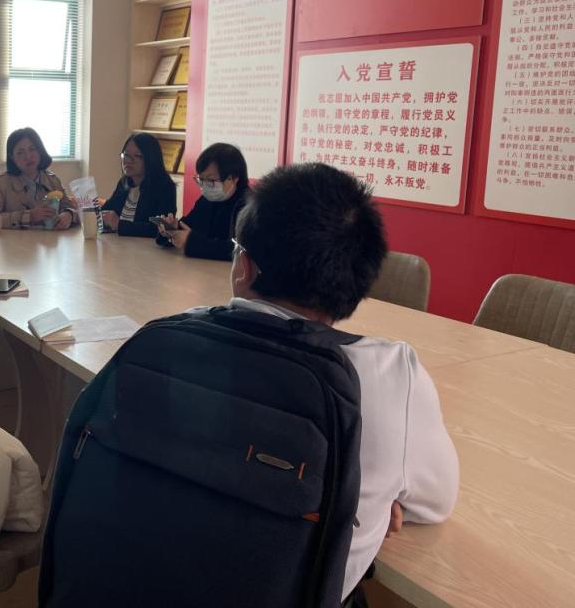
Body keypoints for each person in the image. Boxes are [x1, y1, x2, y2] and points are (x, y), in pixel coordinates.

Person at [228, 163, 458, 604]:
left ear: (245, 266)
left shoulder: (170, 338)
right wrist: (376, 494)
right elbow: (436, 502)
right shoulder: (389, 375)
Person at [155, 142, 249, 260]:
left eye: (210, 180)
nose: (204, 186)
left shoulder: (250, 206)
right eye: (201, 179)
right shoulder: (206, 200)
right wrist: (172, 231)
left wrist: (191, 242)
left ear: (233, 178)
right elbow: (187, 226)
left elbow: (242, 250)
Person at [0, 127, 78, 230]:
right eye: (20, 152)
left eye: (32, 149)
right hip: (13, 240)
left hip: (50, 239)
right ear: (12, 157)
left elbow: (72, 209)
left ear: (40, 150)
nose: (28, 156)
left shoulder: (53, 180)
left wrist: (69, 215)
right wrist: (29, 216)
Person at [101, 132, 177, 237]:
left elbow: (160, 228)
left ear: (150, 159)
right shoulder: (124, 183)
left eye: (137, 156)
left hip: (145, 247)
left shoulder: (164, 187)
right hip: (118, 244)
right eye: (126, 155)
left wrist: (120, 225)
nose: (128, 161)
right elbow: (107, 210)